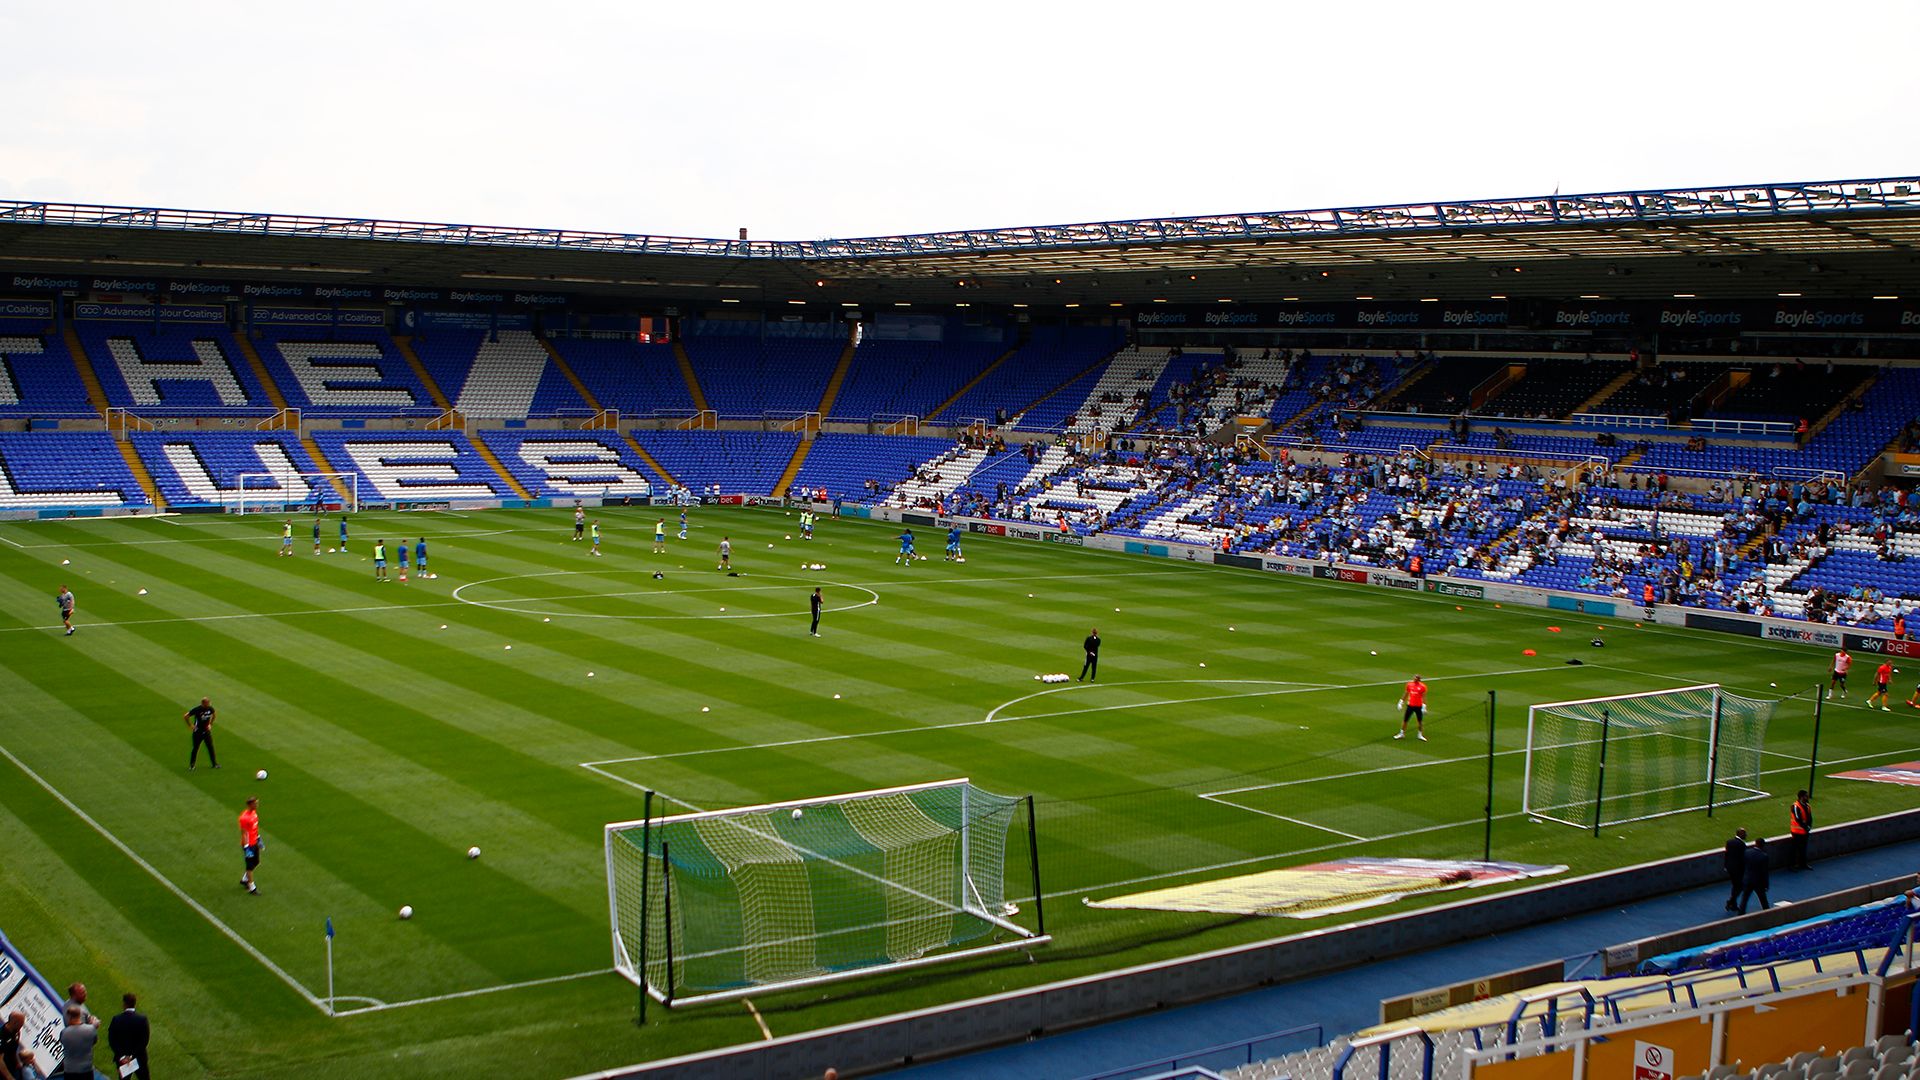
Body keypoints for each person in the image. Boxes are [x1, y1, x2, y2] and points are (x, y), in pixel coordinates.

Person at [107, 993, 149, 1080]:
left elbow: (112, 1040)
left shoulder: (116, 1019)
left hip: (123, 1061)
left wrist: (123, 1056)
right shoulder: (142, 1019)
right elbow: (144, 1041)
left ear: (124, 1004)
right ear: (135, 1003)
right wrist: (131, 1056)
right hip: (139, 1058)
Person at [56, 1005, 95, 1080]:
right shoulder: (90, 1029)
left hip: (70, 1070)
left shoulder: (64, 1032)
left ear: (70, 1017)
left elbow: (63, 1042)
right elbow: (93, 1041)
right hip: (86, 1069)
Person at [184, 696, 219, 771]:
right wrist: (191, 725)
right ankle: (192, 765)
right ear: (203, 703)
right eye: (207, 703)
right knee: (195, 748)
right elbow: (186, 716)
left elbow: (214, 715)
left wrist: (210, 724)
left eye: (209, 703)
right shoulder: (197, 709)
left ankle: (214, 764)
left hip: (206, 731)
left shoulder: (210, 709)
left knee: (210, 747)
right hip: (198, 732)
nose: (209, 704)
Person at [1738, 835, 1771, 913]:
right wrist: (1766, 884)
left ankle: (1741, 913)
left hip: (1748, 879)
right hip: (1758, 881)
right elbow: (1764, 872)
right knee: (1762, 899)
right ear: (1763, 845)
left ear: (1755, 843)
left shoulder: (1747, 852)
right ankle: (1768, 913)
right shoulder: (1764, 856)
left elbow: (1743, 865)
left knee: (1744, 898)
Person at [239, 795, 262, 895]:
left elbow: (254, 828)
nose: (257, 805)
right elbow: (244, 833)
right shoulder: (244, 818)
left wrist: (259, 838)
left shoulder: (254, 813)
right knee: (249, 866)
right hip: (249, 845)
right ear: (250, 804)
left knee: (256, 862)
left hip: (255, 842)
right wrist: (246, 848)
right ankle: (252, 887)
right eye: (255, 803)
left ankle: (245, 879)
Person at [1396, 675, 1429, 741]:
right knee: (1405, 720)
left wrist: (1424, 707)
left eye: (1416, 678)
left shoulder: (1423, 687)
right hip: (1410, 706)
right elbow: (1406, 693)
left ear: (1419, 679)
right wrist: (1401, 702)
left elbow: (1424, 697)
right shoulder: (1409, 685)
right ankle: (1401, 734)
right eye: (1414, 678)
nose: (1414, 679)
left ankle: (1420, 735)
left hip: (1418, 706)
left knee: (1420, 721)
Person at [1723, 827, 1748, 912]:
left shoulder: (1729, 842)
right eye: (1745, 833)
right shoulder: (1742, 845)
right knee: (1740, 886)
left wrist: (1726, 866)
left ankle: (1733, 904)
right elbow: (1743, 858)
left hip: (1730, 867)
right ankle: (1731, 902)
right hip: (1738, 869)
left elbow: (1727, 854)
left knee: (1735, 886)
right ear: (1741, 834)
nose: (1746, 835)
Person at [1788, 791, 1813, 870]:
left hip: (1804, 831)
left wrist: (1809, 826)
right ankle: (1792, 865)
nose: (1807, 797)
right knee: (1794, 849)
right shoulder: (1795, 806)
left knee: (1803, 848)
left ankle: (1803, 864)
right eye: (1806, 796)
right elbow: (1798, 819)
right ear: (1801, 797)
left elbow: (1810, 817)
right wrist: (1806, 827)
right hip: (1796, 832)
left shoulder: (1808, 806)